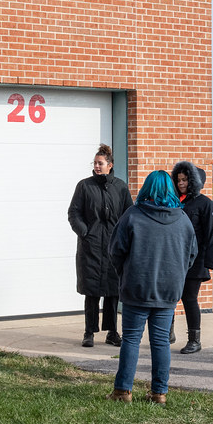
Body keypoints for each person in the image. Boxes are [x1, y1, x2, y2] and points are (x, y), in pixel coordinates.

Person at [106, 171, 197, 406]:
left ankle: (122, 391)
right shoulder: (182, 219)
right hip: (168, 290)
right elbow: (191, 254)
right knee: (160, 342)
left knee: (131, 340)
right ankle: (159, 393)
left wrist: (125, 273)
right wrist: (175, 274)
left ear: (146, 188)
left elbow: (115, 251)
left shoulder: (133, 215)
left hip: (137, 287)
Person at [67, 144, 134, 348]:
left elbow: (129, 214)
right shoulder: (84, 186)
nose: (97, 166)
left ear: (110, 165)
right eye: (95, 163)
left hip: (113, 248)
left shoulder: (120, 187)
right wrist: (85, 232)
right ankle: (89, 332)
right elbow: (74, 213)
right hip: (91, 247)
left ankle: (112, 332)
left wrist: (123, 238)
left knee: (113, 293)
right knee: (92, 292)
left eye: (100, 163)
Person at [169, 161, 213, 353]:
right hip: (173, 260)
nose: (181, 183)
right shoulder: (173, 201)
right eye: (178, 179)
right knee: (170, 298)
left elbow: (211, 235)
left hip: (195, 261)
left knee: (189, 298)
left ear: (193, 181)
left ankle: (194, 340)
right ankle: (168, 333)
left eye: (185, 179)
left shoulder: (205, 203)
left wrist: (209, 262)